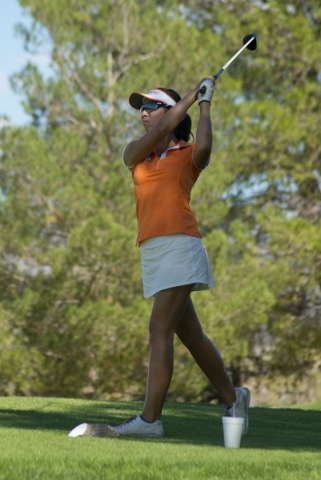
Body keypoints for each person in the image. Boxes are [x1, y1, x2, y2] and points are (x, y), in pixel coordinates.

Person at [68, 77, 250, 440]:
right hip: (152, 251)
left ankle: (150, 421)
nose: (144, 113)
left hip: (180, 245)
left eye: (152, 106)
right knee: (192, 335)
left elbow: (206, 149)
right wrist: (193, 93)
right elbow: (166, 126)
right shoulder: (134, 154)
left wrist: (204, 103)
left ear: (170, 110)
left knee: (159, 329)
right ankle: (235, 396)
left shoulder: (186, 158)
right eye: (141, 108)